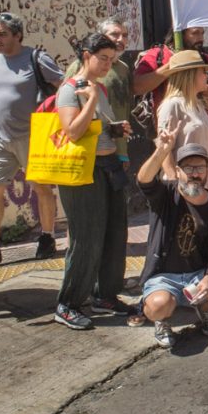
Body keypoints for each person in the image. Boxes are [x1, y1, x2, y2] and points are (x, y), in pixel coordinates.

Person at [53, 33, 134, 329]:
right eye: (103, 59)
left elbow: (96, 128)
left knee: (115, 232)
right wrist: (88, 102)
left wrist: (116, 129)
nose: (107, 65)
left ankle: (106, 295)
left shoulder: (99, 88)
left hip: (109, 165)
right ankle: (68, 303)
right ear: (86, 56)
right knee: (87, 236)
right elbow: (73, 131)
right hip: (82, 170)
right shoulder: (70, 89)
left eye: (111, 60)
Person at [135, 132, 208, 348]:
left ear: (207, 171)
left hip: (197, 274)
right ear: (177, 171)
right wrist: (162, 151)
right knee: (158, 306)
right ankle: (162, 321)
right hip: (164, 277)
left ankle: (205, 311)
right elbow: (143, 180)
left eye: (200, 167)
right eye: (188, 168)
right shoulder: (165, 195)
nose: (194, 173)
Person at [0, 11, 63, 262]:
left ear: (18, 35)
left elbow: (63, 87)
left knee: (42, 189)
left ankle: (46, 237)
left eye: (2, 34)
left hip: (34, 137)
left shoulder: (36, 58)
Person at [65, 17, 133, 170]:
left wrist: (123, 151)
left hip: (116, 148)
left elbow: (123, 109)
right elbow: (67, 104)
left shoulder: (123, 69)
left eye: (125, 35)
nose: (120, 39)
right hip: (88, 150)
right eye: (115, 34)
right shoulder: (80, 67)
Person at [132, 26, 208, 121]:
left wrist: (199, 87)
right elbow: (137, 87)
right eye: (195, 33)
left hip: (201, 128)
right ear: (180, 34)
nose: (201, 38)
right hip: (168, 128)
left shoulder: (204, 59)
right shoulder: (157, 55)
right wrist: (170, 66)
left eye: (202, 33)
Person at [156, 50, 208, 195]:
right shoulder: (171, 105)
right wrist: (175, 184)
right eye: (203, 72)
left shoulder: (197, 104)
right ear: (189, 75)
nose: (207, 76)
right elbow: (163, 150)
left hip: (205, 187)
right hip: (185, 189)